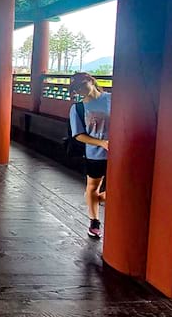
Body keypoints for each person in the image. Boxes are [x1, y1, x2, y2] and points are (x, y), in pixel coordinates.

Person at [68, 72, 111, 239]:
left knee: (116, 189)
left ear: (91, 80)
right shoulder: (78, 108)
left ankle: (94, 199)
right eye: (75, 88)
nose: (79, 90)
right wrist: (101, 143)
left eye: (81, 85)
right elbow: (78, 135)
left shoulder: (112, 98)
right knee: (93, 186)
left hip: (119, 153)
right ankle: (94, 221)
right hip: (95, 152)